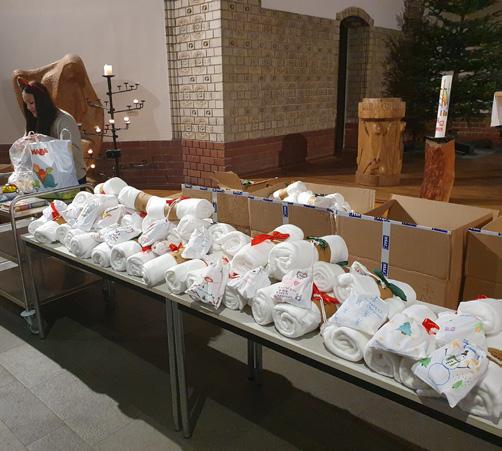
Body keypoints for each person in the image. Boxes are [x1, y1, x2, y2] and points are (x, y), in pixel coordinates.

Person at [18, 78, 87, 184]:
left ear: (42, 101)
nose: (28, 107)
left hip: (72, 179)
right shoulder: (33, 121)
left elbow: (73, 153)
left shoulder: (64, 120)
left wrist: (46, 142)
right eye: (26, 103)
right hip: (46, 180)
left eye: (31, 103)